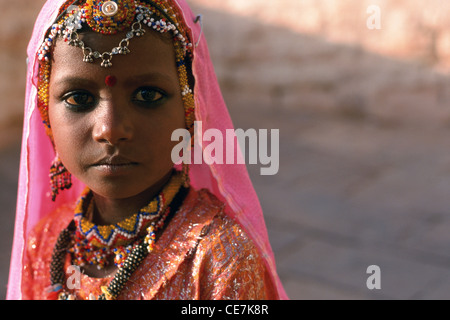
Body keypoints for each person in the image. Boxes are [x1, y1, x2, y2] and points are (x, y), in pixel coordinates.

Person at [7, 0, 288, 300]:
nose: (111, 129)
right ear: (45, 113)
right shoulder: (47, 241)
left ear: (190, 109)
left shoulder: (219, 258)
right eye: (79, 98)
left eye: (147, 95)